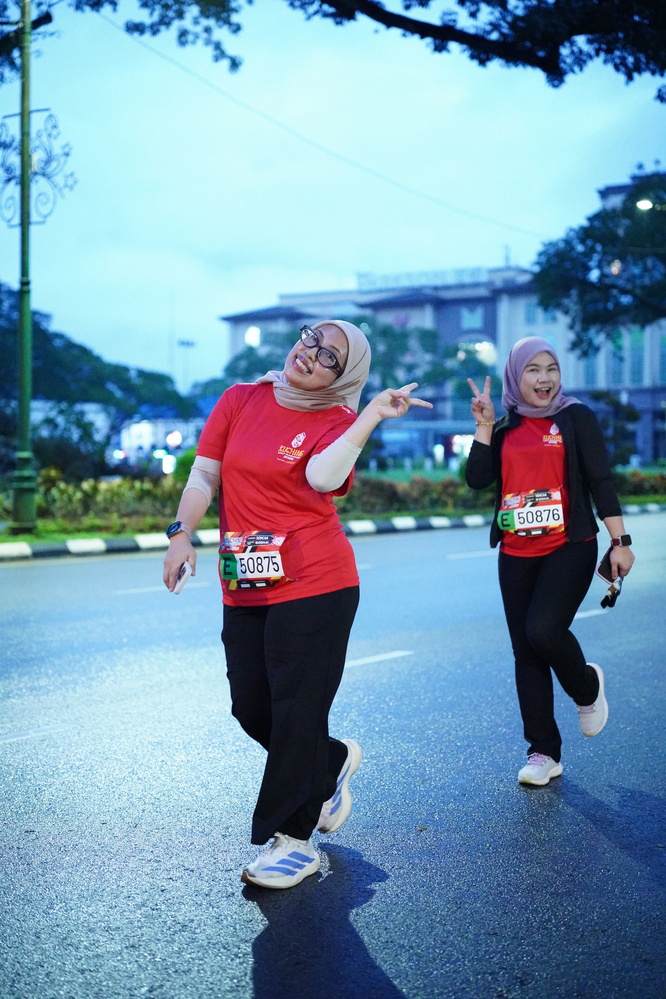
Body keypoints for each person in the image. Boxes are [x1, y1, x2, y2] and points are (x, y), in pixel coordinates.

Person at [163, 320, 432, 886]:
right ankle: (328, 761)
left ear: (343, 377)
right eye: (312, 340)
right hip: (246, 581)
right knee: (250, 706)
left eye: (331, 357)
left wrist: (369, 416)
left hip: (316, 583)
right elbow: (204, 475)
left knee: (294, 709)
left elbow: (321, 477)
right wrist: (181, 534)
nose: (311, 355)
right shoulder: (241, 399)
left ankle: (293, 841)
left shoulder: (338, 420)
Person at [465, 337, 635, 786]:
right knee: (526, 652)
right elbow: (478, 479)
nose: (544, 379)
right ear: (515, 376)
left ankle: (586, 687)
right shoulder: (504, 426)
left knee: (543, 630)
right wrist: (484, 425)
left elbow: (600, 481)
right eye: (533, 370)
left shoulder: (576, 417)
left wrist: (620, 542)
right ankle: (543, 752)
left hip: (569, 545)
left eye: (551, 369)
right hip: (515, 553)